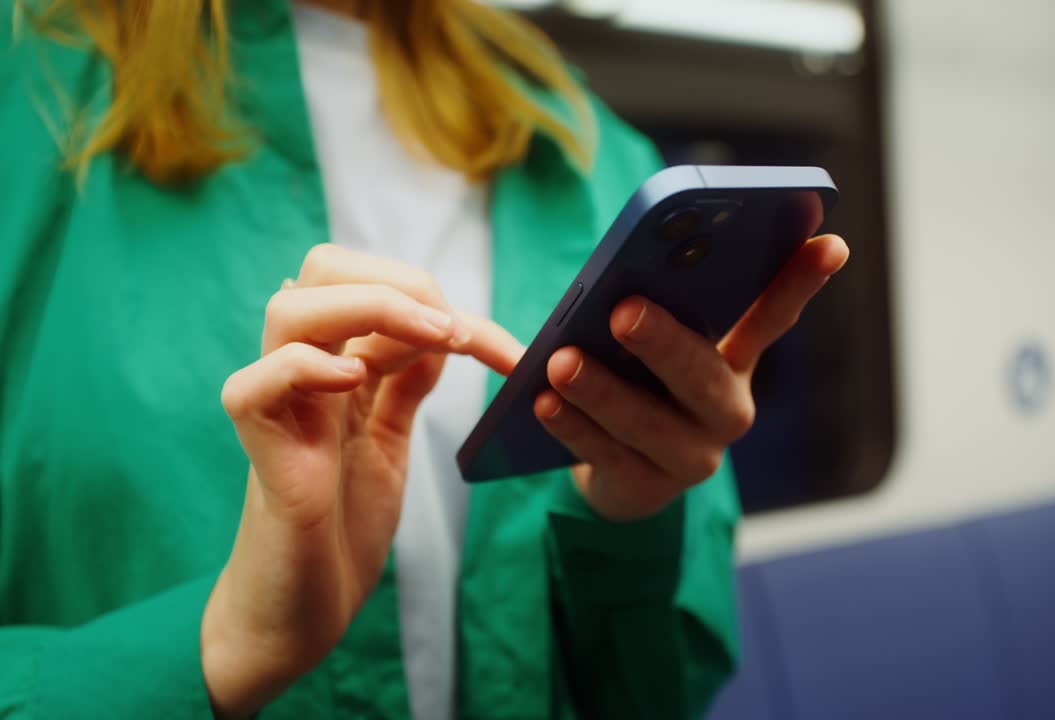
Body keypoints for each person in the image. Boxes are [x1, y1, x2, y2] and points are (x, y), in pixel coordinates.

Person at [0, 0, 849, 717]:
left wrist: (629, 514)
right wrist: (219, 649)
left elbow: (655, 690)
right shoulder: (28, 87)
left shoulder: (573, 138)